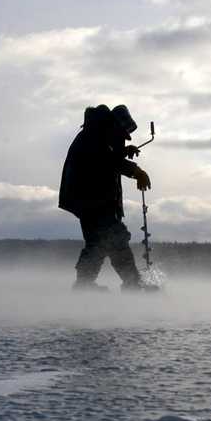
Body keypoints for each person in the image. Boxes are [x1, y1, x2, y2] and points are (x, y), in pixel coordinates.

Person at [58, 103, 154, 291]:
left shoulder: (97, 134)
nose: (122, 139)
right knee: (114, 238)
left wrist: (123, 152)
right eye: (121, 135)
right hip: (91, 200)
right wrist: (136, 171)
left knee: (100, 242)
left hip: (91, 199)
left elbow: (107, 156)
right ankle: (132, 284)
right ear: (113, 126)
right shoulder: (94, 137)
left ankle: (85, 286)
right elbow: (106, 160)